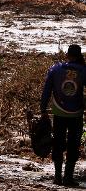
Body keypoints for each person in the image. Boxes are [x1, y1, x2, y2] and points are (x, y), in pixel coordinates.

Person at [40, 44, 86, 186]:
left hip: (59, 112)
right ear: (79, 55)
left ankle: (57, 177)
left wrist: (43, 109)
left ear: (67, 54)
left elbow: (46, 90)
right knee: (73, 145)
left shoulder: (55, 69)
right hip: (76, 114)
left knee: (58, 143)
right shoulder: (84, 70)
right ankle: (68, 178)